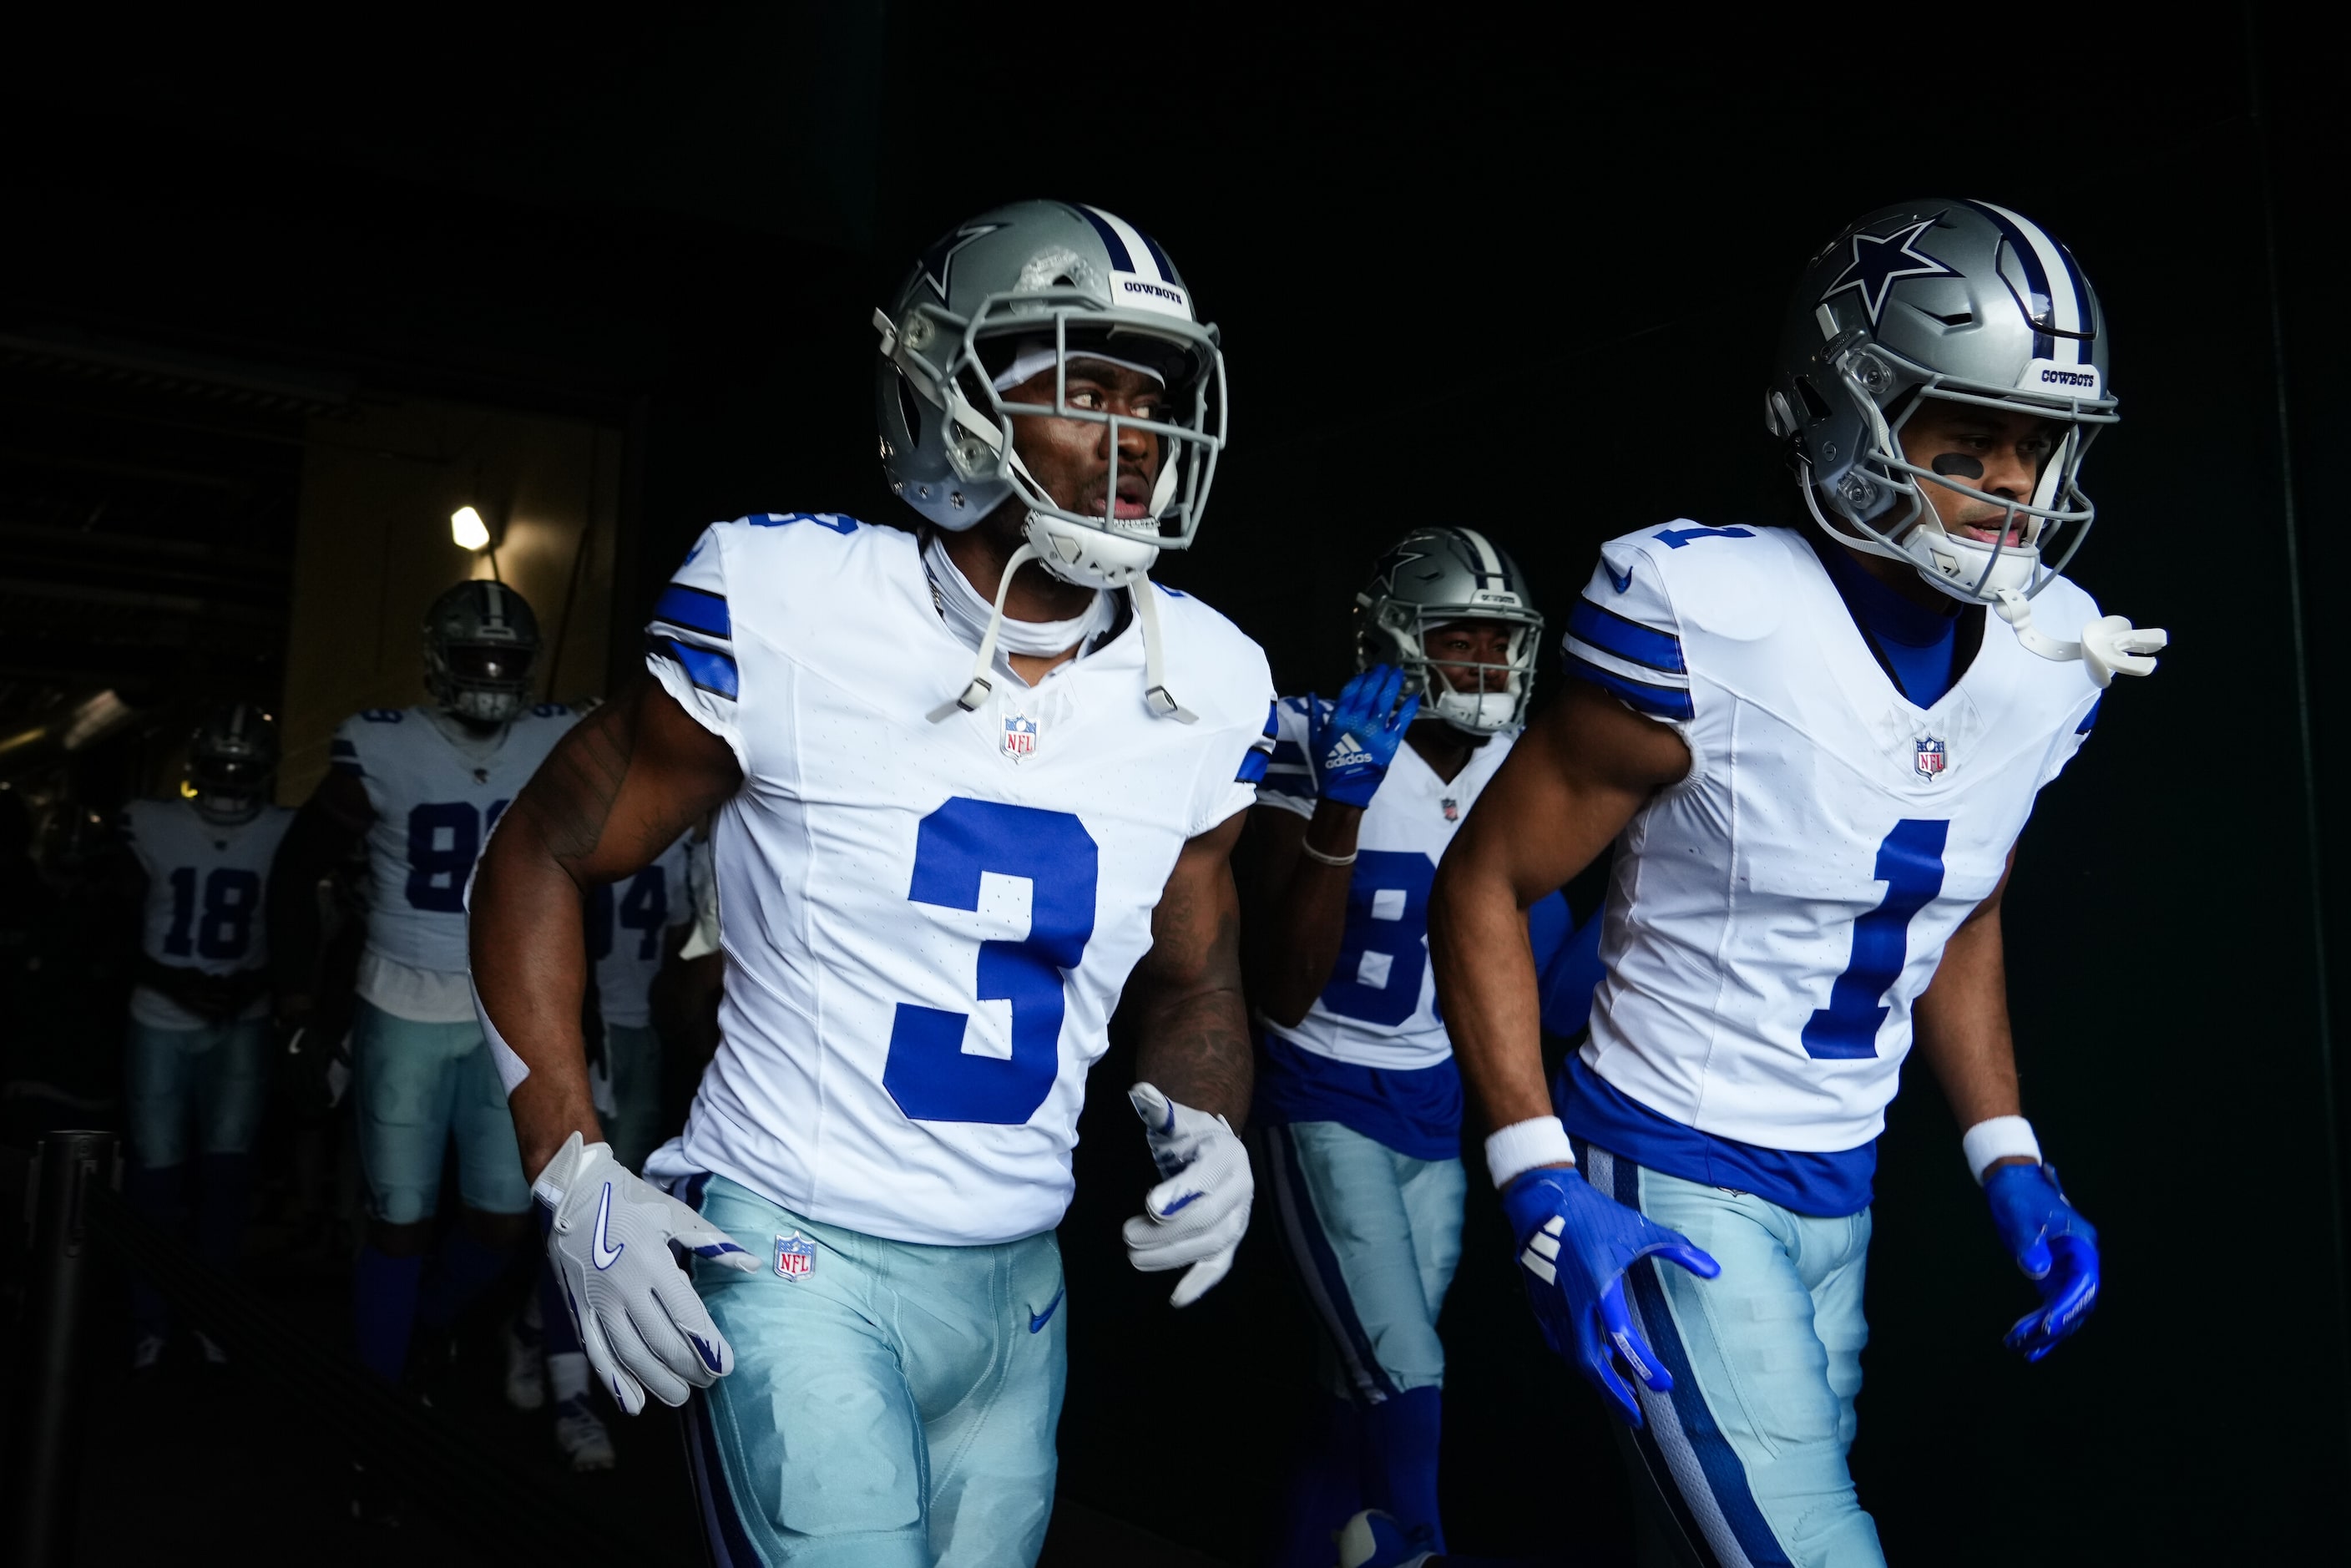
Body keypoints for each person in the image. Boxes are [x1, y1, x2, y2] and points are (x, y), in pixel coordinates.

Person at [469, 200, 1274, 1567]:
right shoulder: (789, 601)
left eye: (1151, 394)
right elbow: (538, 853)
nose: (1135, 437)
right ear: (947, 394)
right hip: (797, 1252)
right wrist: (573, 1168)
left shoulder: (1209, 680)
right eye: (1084, 385)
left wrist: (1209, 1120)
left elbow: (1197, 974)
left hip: (1021, 1289)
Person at [1427, 200, 2166, 1568]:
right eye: (1967, 442)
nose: (2014, 482)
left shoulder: (2054, 647)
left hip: (1843, 1184)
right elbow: (1483, 874)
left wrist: (2006, 1152)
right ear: (1846, 416)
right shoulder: (1714, 615)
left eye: (2037, 443)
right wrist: (1535, 1171)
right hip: (1669, 1173)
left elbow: (1961, 900)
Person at [1251, 527, 1601, 1561]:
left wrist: (1642, 871)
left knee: (1351, 1389)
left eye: (1502, 643)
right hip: (1321, 1087)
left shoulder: (1512, 764)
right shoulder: (1317, 736)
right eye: (1463, 640)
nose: (1489, 668)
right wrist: (1340, 809)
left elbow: (1544, 990)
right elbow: (1278, 987)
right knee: (1404, 1370)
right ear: (1398, 641)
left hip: (1433, 1103)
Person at [267, 581, 578, 1402]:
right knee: (397, 1222)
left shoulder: (556, 737)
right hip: (399, 1005)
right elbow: (297, 868)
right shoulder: (384, 744)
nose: (489, 673)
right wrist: (297, 1007)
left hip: (505, 1014)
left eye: (504, 660)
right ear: (439, 661)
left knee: (503, 1222)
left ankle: (422, 1330)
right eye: (474, 656)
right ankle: (381, 1397)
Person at [503, 823, 696, 1470]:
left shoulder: (689, 839)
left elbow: (679, 952)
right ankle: (572, 1397)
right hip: (575, 1034)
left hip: (640, 1036)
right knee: (580, 1218)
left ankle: (534, 1329)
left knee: (617, 1221)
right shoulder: (587, 818)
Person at [118, 703, 294, 1368]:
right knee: (156, 1177)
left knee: (225, 1178)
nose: (228, 779)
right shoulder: (152, 823)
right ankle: (149, 1315)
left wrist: (260, 982)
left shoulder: (282, 831)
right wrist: (171, 979)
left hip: (236, 1022)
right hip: (161, 1020)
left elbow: (298, 924)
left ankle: (208, 1312)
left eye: (240, 769)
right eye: (218, 767)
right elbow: (112, 924)